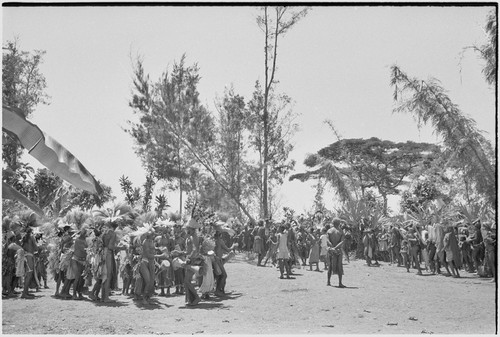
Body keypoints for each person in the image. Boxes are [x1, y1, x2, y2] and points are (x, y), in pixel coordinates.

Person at [183, 218, 202, 306]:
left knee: (187, 281)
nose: (187, 230)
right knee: (187, 280)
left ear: (192, 229)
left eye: (188, 229)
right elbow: (189, 250)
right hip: (190, 259)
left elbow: (195, 250)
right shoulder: (191, 237)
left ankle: (196, 298)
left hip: (192, 260)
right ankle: (191, 299)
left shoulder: (194, 237)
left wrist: (189, 258)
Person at [326, 218, 346, 288]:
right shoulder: (341, 231)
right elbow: (342, 241)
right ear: (339, 223)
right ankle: (340, 283)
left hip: (331, 250)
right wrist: (336, 247)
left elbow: (327, 240)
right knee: (339, 266)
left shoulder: (329, 230)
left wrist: (332, 247)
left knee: (330, 266)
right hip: (338, 250)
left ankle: (328, 281)